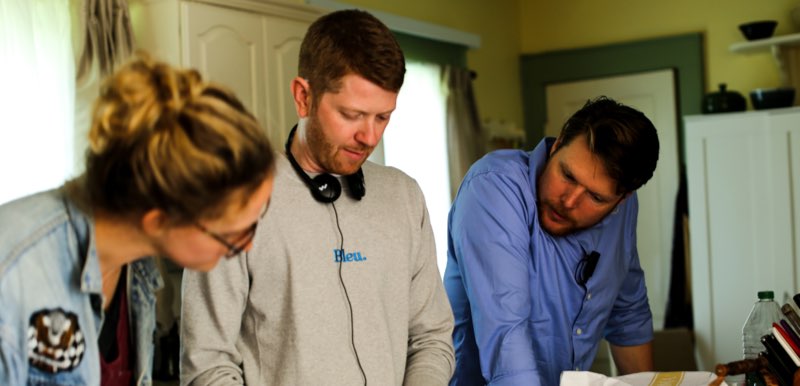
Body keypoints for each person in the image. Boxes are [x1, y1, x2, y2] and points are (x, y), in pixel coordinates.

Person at [179, 9, 455, 386]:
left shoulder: (405, 198)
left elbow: (431, 338)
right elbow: (207, 365)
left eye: (383, 117)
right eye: (352, 115)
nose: (370, 137)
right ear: (303, 97)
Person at [0, 54, 276, 385]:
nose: (247, 245)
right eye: (233, 233)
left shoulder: (136, 267)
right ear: (158, 220)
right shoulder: (13, 269)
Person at [444, 96, 660, 385]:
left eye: (595, 197)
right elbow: (507, 338)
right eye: (568, 175)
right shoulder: (494, 188)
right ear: (557, 145)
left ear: (622, 200)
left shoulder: (622, 211)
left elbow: (628, 317)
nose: (569, 201)